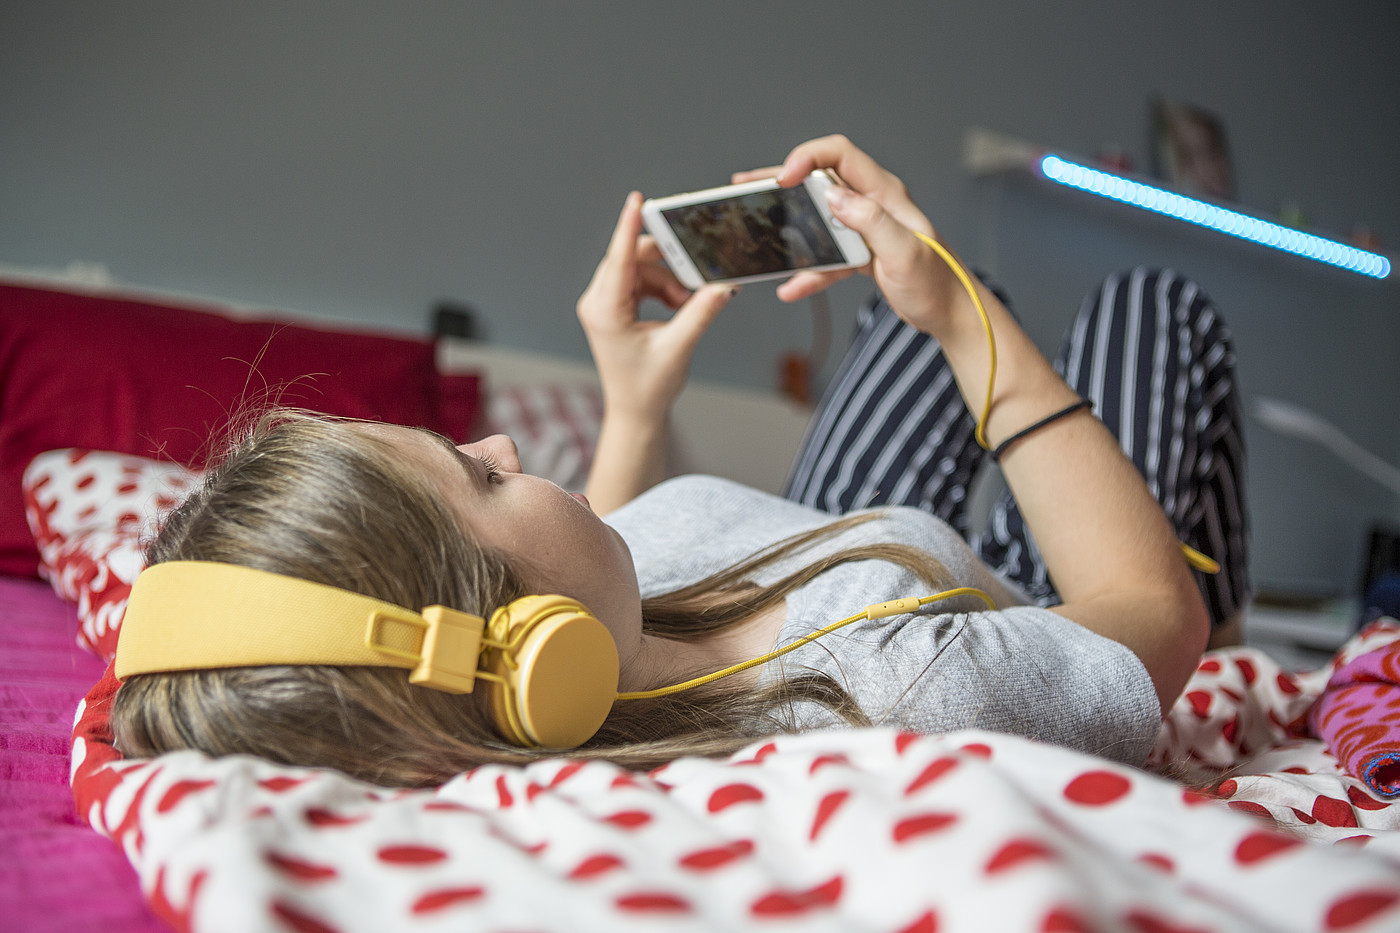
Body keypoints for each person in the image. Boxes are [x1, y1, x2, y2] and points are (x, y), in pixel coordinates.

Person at [112, 136, 1242, 788]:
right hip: (1020, 595)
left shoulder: (601, 624)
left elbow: (596, 550)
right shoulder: (910, 690)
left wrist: (629, 397)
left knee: (908, 310)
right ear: (526, 653)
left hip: (816, 547)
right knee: (1149, 309)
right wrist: (950, 315)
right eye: (486, 478)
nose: (505, 445)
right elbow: (1148, 609)